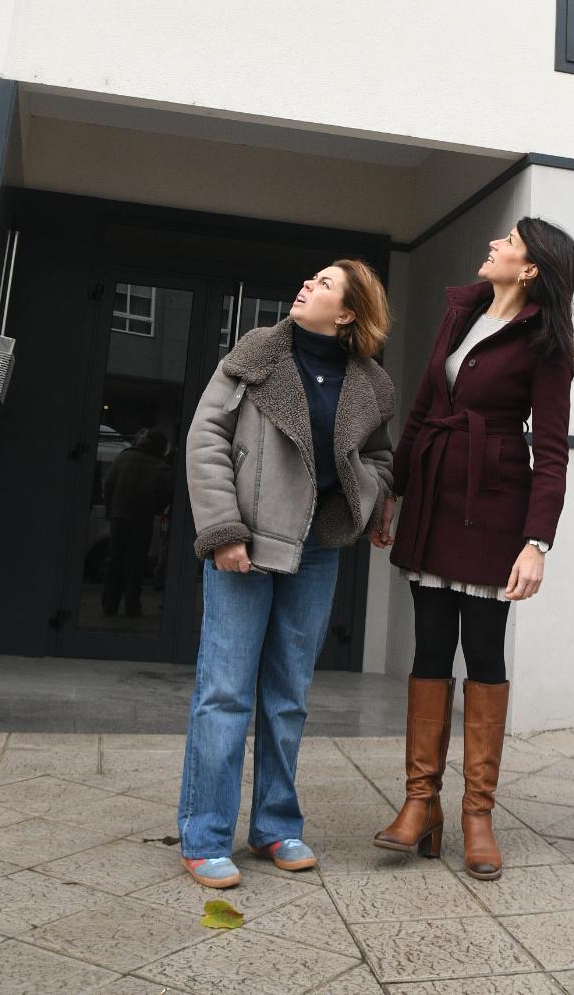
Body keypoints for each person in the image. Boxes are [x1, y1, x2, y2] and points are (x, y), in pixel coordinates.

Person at [374, 218, 574, 880]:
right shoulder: (461, 311)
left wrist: (537, 542)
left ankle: (476, 815)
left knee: (485, 653)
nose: (494, 245)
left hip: (495, 506)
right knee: (430, 649)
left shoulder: (545, 342)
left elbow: (552, 452)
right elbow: (422, 409)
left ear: (530, 269)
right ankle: (420, 803)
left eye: (509, 242)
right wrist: (394, 491)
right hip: (435, 497)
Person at [177, 259, 394, 889]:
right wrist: (223, 530)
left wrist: (364, 501)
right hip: (246, 541)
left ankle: (275, 825)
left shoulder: (370, 383)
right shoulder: (255, 355)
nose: (306, 285)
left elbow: (381, 458)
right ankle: (204, 835)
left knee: (288, 695)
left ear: (348, 313)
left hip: (317, 548)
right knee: (224, 691)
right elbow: (206, 439)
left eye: (324, 284)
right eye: (310, 278)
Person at [101, 427, 172, 618]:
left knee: (115, 561)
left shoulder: (124, 458)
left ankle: (109, 604)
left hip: (119, 516)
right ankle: (132, 605)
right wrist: (156, 509)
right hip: (143, 519)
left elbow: (108, 484)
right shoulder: (160, 466)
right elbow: (166, 493)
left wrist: (110, 510)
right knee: (136, 563)